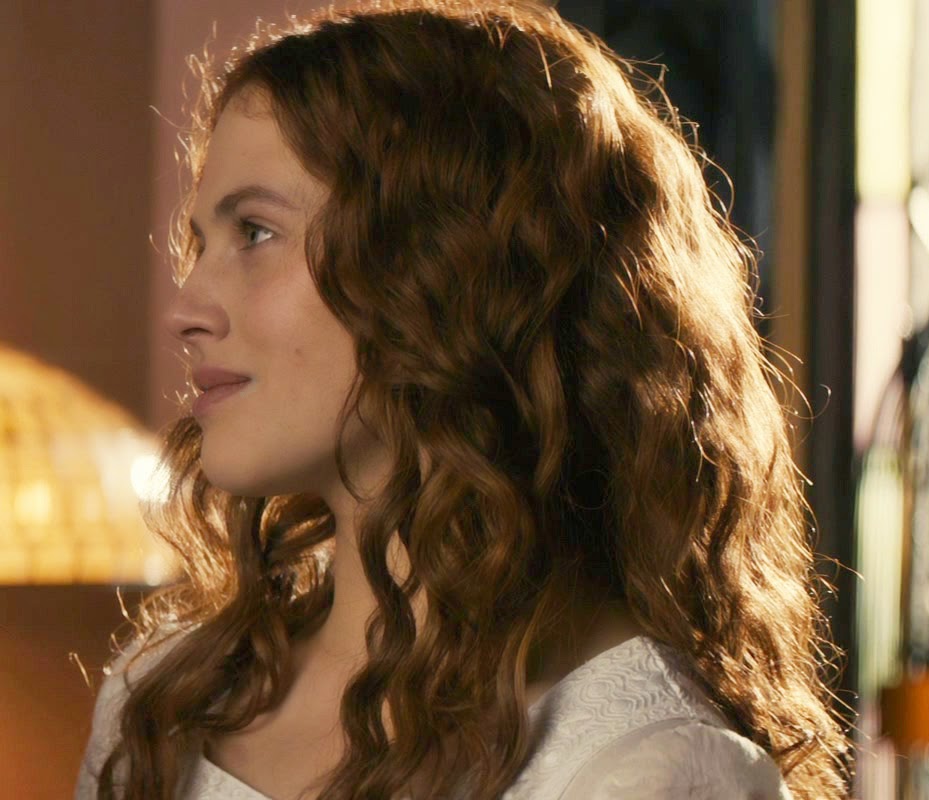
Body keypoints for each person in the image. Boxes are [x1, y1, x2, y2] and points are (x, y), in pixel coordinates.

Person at [75, 0, 852, 797]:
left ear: (446, 264)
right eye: (200, 242)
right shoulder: (160, 695)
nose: (185, 310)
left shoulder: (650, 769)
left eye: (254, 232)